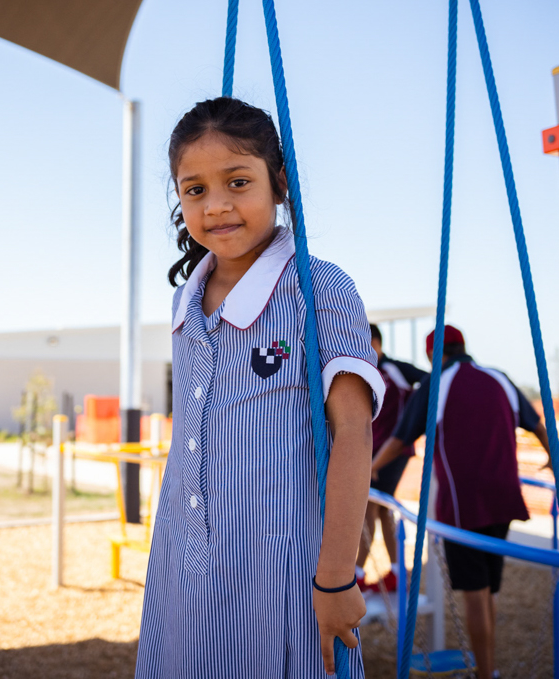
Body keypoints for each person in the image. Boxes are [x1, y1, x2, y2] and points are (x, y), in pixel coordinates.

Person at [136, 98, 385, 678]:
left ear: (278, 184)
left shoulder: (317, 288)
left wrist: (337, 575)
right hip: (185, 556)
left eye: (237, 182)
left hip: (283, 564)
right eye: (194, 190)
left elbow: (352, 432)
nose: (216, 205)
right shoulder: (186, 300)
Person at [372, 325, 551, 679]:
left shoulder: (437, 385)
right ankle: (489, 666)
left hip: (463, 506)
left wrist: (370, 468)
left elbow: (399, 438)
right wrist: (552, 463)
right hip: (504, 499)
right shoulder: (499, 377)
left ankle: (485, 673)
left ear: (430, 355)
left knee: (474, 593)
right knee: (488, 591)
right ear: (464, 346)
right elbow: (537, 424)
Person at [355, 324, 428, 595]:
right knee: (382, 508)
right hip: (371, 451)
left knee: (370, 507)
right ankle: (398, 572)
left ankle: (358, 574)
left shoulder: (396, 369)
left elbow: (432, 381)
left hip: (392, 450)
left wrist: (412, 420)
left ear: (375, 342)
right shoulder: (362, 371)